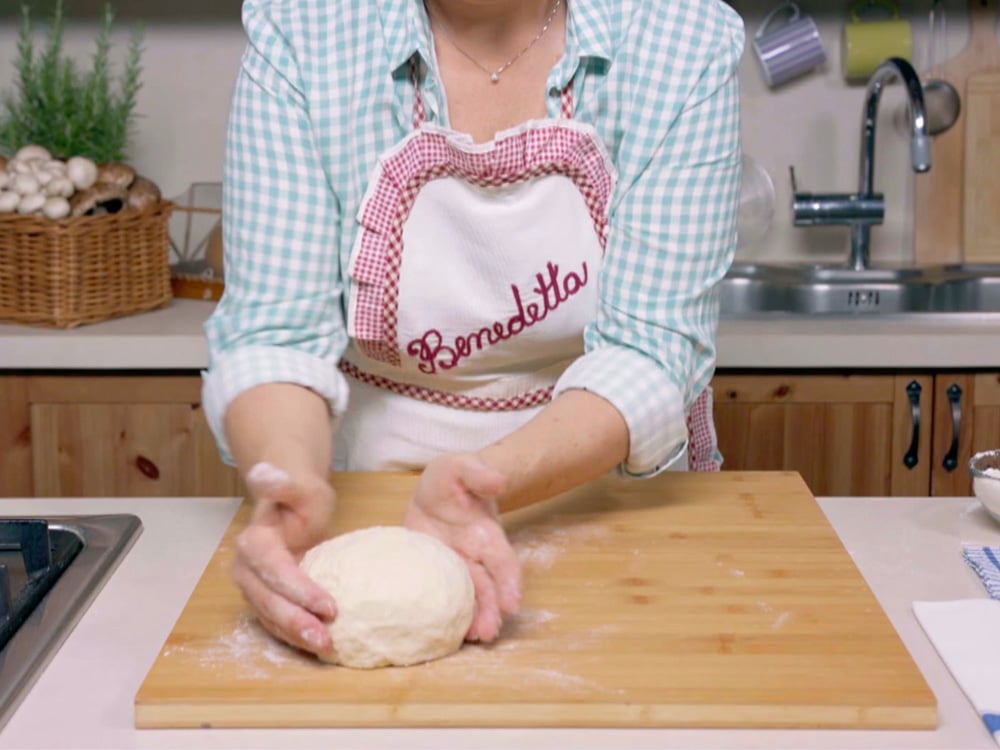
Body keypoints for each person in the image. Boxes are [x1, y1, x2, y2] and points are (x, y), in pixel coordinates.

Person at [203, 0, 745, 658]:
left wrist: (478, 483)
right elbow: (274, 335)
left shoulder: (679, 34)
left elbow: (650, 349)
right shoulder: (308, 26)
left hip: (610, 502)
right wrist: (290, 482)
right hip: (371, 495)